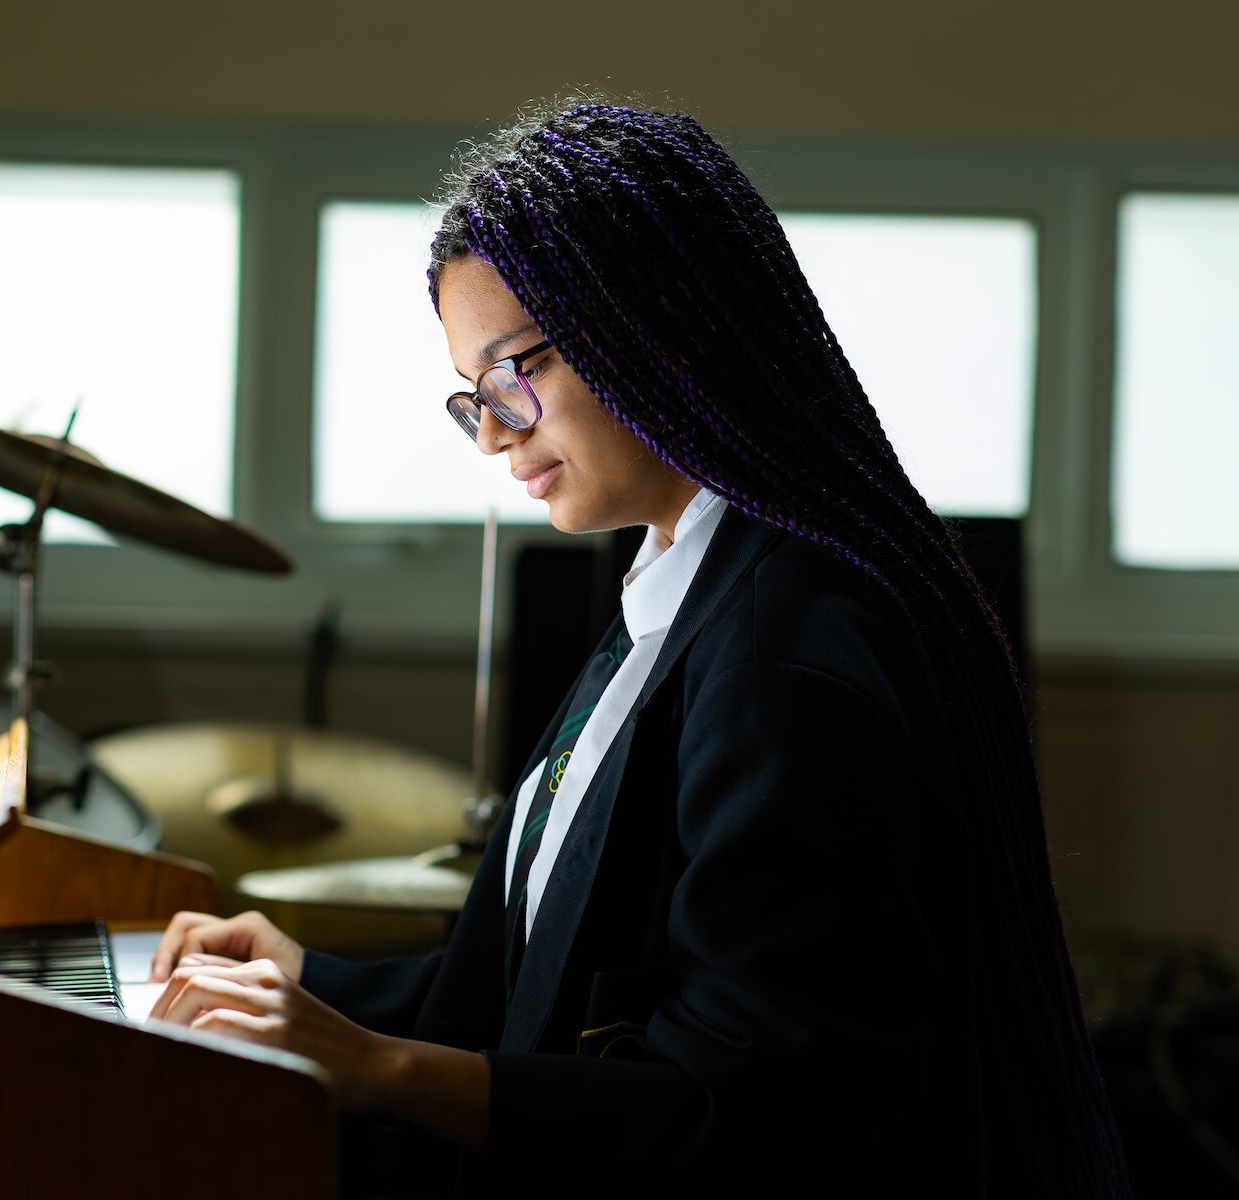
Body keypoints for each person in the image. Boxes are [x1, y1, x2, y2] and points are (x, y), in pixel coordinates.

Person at [141, 100, 1131, 1196]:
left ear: (656, 321)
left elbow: (752, 1119)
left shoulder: (777, 655)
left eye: (513, 372)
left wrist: (373, 1068)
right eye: (470, 397)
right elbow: (572, 982)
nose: (491, 433)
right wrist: (313, 986)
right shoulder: (673, 581)